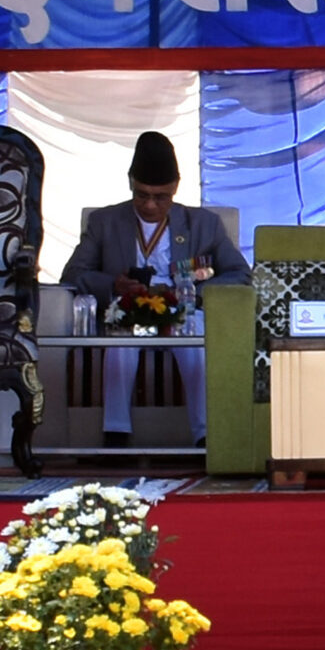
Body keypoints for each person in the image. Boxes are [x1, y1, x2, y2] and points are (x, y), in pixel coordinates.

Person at [62, 131, 250, 450]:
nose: (150, 205)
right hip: (130, 310)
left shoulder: (204, 224)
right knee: (122, 336)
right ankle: (116, 434)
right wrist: (113, 284)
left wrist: (192, 293)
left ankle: (205, 436)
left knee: (194, 335)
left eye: (160, 197)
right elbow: (73, 274)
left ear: (175, 187)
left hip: (183, 310)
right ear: (130, 183)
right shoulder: (105, 222)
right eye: (142, 195)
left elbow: (241, 274)